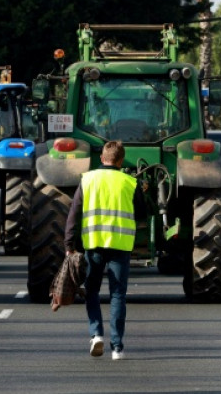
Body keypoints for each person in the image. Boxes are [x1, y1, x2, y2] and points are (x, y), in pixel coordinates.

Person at [64, 140, 146, 361]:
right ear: (121, 160)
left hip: (94, 244)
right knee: (118, 295)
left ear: (102, 158)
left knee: (91, 291)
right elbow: (141, 214)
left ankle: (96, 334)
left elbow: (74, 213)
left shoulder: (88, 179)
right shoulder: (130, 182)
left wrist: (69, 245)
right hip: (120, 245)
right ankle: (117, 348)